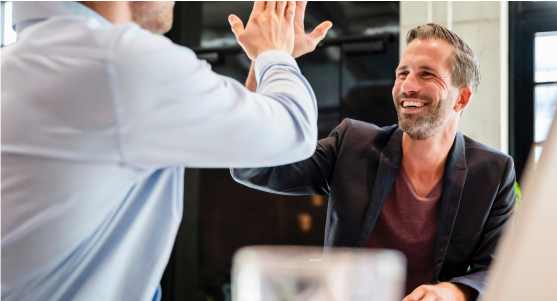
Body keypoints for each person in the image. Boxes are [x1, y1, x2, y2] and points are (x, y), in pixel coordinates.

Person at [0, 1, 331, 300]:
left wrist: (265, 60)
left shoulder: (19, 60)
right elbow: (294, 130)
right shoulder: (120, 61)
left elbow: (252, 145)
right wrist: (276, 54)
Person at [232, 23, 517, 301]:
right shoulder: (352, 144)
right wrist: (267, 60)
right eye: (402, 73)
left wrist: (453, 291)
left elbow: (496, 269)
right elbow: (255, 166)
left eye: (427, 74)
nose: (407, 86)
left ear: (462, 98)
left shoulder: (492, 173)